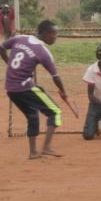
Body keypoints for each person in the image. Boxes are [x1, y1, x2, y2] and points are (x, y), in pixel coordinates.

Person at [0, 20, 68, 159]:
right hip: (24, 88)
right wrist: (64, 92)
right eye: (54, 34)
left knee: (32, 114)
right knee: (55, 112)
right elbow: (55, 77)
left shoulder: (20, 38)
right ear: (46, 34)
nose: (56, 37)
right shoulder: (43, 52)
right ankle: (47, 147)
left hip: (11, 89)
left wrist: (9, 64)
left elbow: (1, 47)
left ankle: (33, 152)